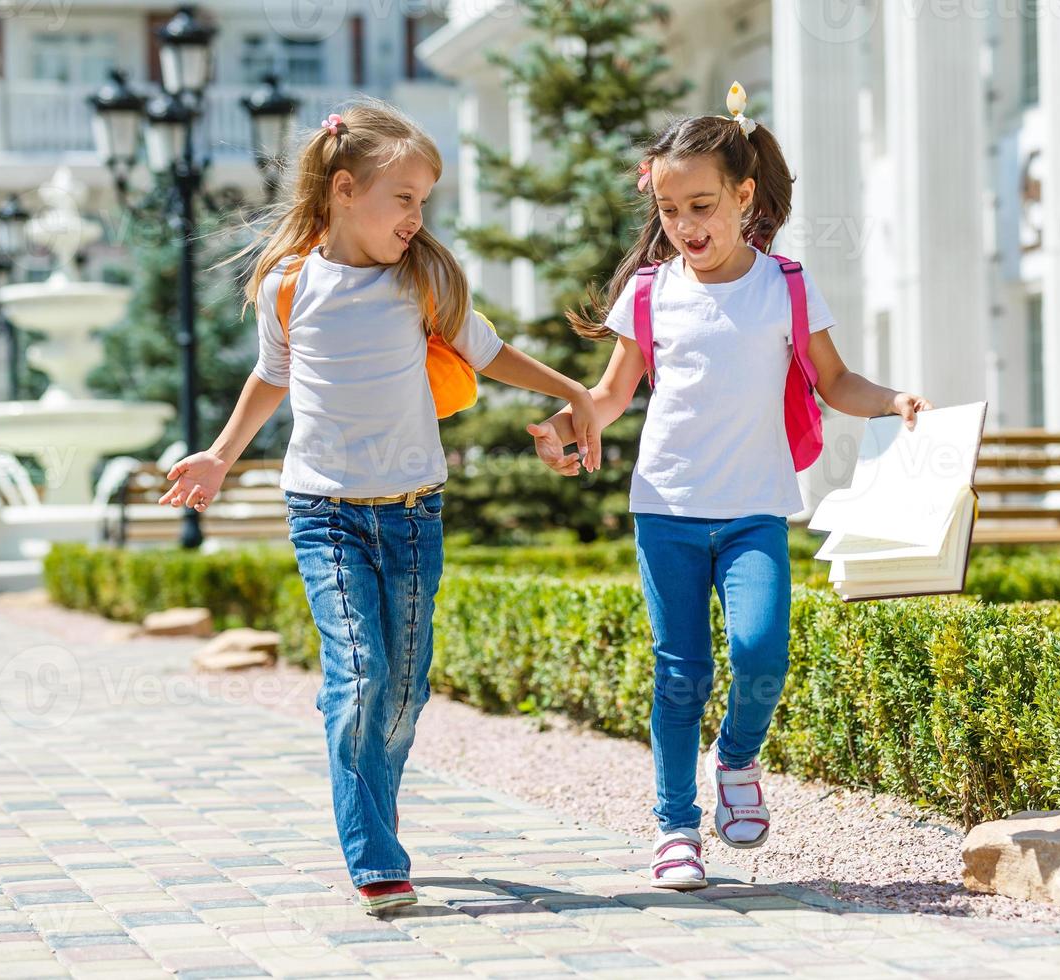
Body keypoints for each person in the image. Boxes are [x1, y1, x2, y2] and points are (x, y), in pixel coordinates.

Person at [160, 99, 600, 915]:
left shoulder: (421, 279)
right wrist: (221, 454)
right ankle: (373, 855)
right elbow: (271, 376)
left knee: (402, 692)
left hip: (412, 511)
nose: (417, 217)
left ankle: (364, 782)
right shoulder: (291, 283)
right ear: (344, 190)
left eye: (424, 201)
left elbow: (489, 352)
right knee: (361, 675)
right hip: (324, 510)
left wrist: (571, 389)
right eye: (404, 199)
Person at [529, 83, 933, 889]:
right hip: (667, 508)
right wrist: (567, 427)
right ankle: (676, 829)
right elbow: (611, 397)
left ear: (744, 196)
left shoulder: (785, 284)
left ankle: (738, 760)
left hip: (754, 508)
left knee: (760, 655)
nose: (686, 227)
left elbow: (834, 379)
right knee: (680, 672)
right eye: (672, 210)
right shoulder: (648, 292)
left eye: (703, 206)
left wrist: (892, 402)